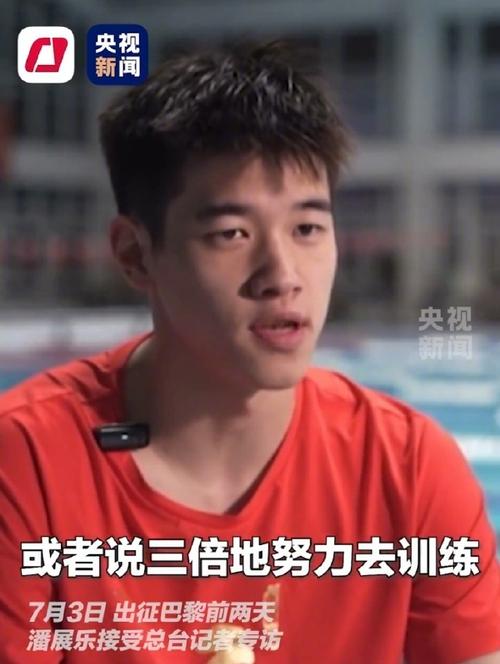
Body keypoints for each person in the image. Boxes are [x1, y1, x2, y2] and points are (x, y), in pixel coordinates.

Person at [0, 41, 499, 664]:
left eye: (307, 229)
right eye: (231, 233)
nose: (283, 276)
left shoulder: (409, 467)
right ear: (134, 254)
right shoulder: (27, 463)